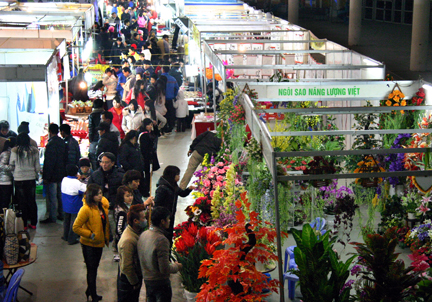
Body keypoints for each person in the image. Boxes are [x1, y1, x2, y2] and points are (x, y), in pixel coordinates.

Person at [73, 184, 109, 302]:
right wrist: (90, 234)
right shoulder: (85, 209)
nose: (100, 196)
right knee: (91, 270)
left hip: (99, 243)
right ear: (91, 195)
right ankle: (93, 295)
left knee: (95, 268)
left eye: (101, 193)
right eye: (97, 194)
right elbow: (76, 227)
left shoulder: (101, 206)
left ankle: (89, 290)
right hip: (89, 244)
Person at [138, 206, 182, 302]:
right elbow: (164, 269)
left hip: (147, 280)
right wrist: (177, 266)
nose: (169, 221)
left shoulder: (144, 234)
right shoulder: (161, 240)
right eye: (168, 219)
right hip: (160, 283)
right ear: (162, 221)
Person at [154, 166, 193, 244]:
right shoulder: (162, 188)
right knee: (164, 236)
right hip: (163, 218)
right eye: (177, 175)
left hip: (170, 215)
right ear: (172, 175)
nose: (179, 176)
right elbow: (157, 205)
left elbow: (182, 193)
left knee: (169, 234)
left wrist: (189, 189)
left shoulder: (173, 185)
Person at [117, 203, 147, 302]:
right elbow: (127, 266)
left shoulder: (136, 231)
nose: (145, 220)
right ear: (135, 221)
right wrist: (135, 282)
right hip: (128, 281)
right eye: (143, 218)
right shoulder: (128, 240)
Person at [10, 133, 40, 229]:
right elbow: (37, 167)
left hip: (19, 178)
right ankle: (34, 223)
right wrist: (36, 174)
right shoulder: (34, 150)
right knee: (31, 201)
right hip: (31, 178)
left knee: (21, 201)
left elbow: (12, 163)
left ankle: (24, 224)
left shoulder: (15, 150)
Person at [41, 123, 67, 223]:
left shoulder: (51, 144)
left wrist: (46, 176)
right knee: (60, 196)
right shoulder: (62, 142)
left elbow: (49, 162)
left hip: (52, 175)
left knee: (52, 197)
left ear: (50, 132)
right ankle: (61, 214)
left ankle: (52, 217)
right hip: (62, 174)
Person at [61, 164, 87, 245]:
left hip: (65, 205)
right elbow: (86, 189)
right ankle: (72, 239)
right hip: (75, 206)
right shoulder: (77, 183)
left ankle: (65, 236)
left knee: (66, 221)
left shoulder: (64, 180)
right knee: (75, 223)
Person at [139, 119, 160, 197]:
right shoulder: (143, 135)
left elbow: (157, 134)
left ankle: (146, 189)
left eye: (151, 125)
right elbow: (144, 148)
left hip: (150, 156)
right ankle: (145, 190)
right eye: (149, 125)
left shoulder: (150, 133)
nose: (150, 127)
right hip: (146, 158)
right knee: (146, 174)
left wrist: (155, 126)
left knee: (149, 175)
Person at [113, 185, 133, 262]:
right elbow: (119, 229)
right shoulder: (121, 211)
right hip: (123, 243)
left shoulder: (126, 207)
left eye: (131, 195)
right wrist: (124, 239)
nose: (130, 198)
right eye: (127, 196)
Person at [161, 66, 179, 134]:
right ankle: (170, 127)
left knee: (163, 114)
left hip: (162, 101)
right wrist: (174, 95)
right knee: (170, 113)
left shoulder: (159, 79)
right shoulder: (173, 79)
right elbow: (177, 88)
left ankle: (164, 128)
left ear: (162, 70)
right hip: (170, 99)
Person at [88, 99, 104, 170]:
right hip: (103, 138)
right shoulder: (104, 114)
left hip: (94, 139)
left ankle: (95, 170)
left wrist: (90, 139)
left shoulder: (92, 115)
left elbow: (91, 128)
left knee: (93, 156)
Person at [0, 137, 16, 209]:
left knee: (5, 201)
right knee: (5, 201)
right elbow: (1, 166)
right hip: (5, 181)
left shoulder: (7, 153)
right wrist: (13, 167)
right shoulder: (7, 153)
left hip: (5, 180)